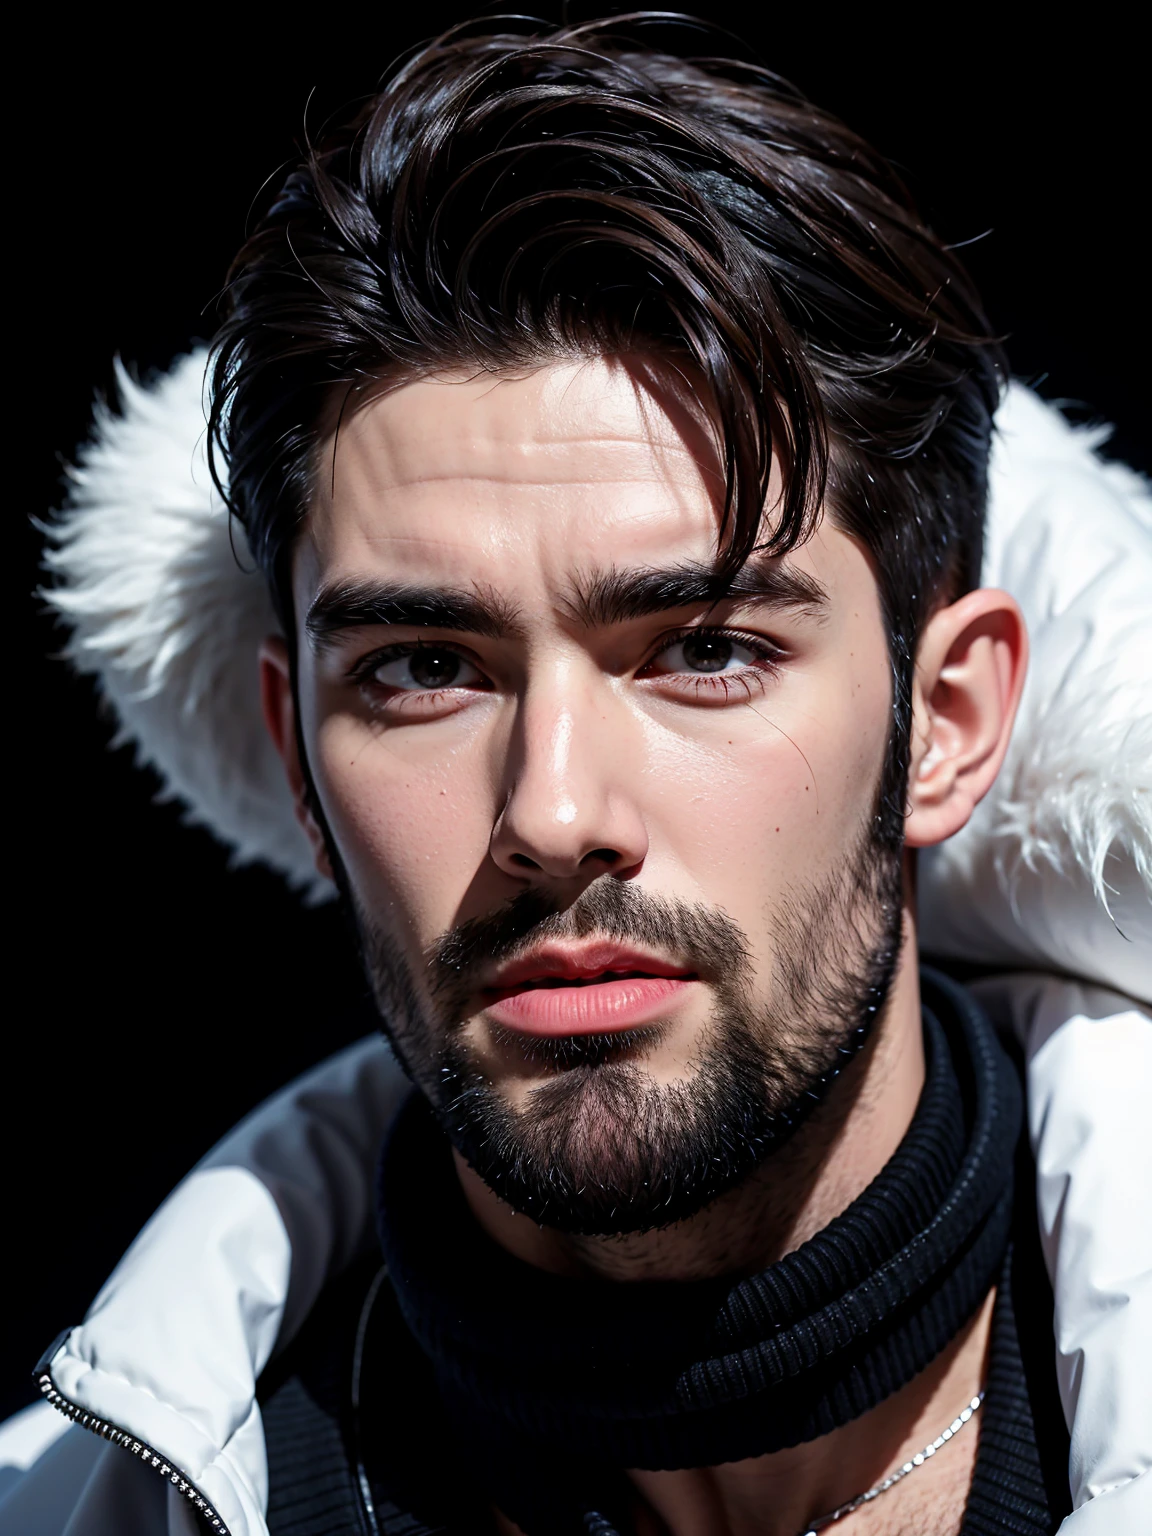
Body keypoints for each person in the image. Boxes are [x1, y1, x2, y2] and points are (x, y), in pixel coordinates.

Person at [5, 15, 1150, 1536]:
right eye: (422, 667)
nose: (551, 813)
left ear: (945, 718)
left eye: (704, 648)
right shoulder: (78, 1503)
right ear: (293, 752)